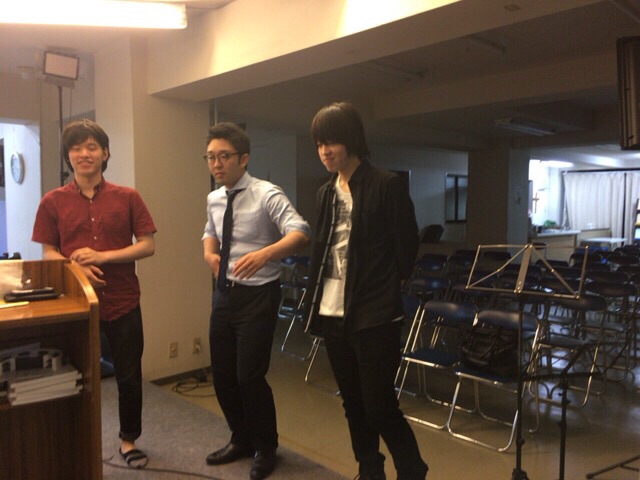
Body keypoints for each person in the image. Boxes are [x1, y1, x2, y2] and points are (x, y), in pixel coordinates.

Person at [304, 102, 428, 480]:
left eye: (331, 142)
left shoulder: (386, 185)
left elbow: (407, 248)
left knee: (379, 405)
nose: (325, 151)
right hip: (332, 311)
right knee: (353, 403)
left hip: (374, 314)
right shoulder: (326, 193)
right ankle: (369, 469)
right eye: (319, 144)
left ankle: (412, 470)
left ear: (352, 140)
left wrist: (384, 286)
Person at [32, 119, 156, 469]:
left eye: (91, 147)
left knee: (128, 374)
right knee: (74, 375)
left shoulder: (128, 197)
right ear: (68, 156)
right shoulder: (51, 202)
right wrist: (75, 266)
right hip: (74, 303)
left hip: (123, 301)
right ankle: (73, 439)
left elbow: (147, 245)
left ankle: (129, 439)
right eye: (76, 148)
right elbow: (48, 252)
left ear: (105, 153)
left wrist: (102, 257)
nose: (83, 154)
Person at [202, 122, 311, 480]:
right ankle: (241, 438)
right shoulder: (215, 198)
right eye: (210, 157)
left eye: (223, 156)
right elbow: (210, 231)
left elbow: (300, 231)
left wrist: (265, 254)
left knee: (249, 376)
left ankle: (266, 446)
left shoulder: (266, 193)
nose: (216, 164)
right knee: (222, 374)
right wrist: (209, 254)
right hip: (224, 294)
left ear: (243, 158)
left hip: (259, 296)